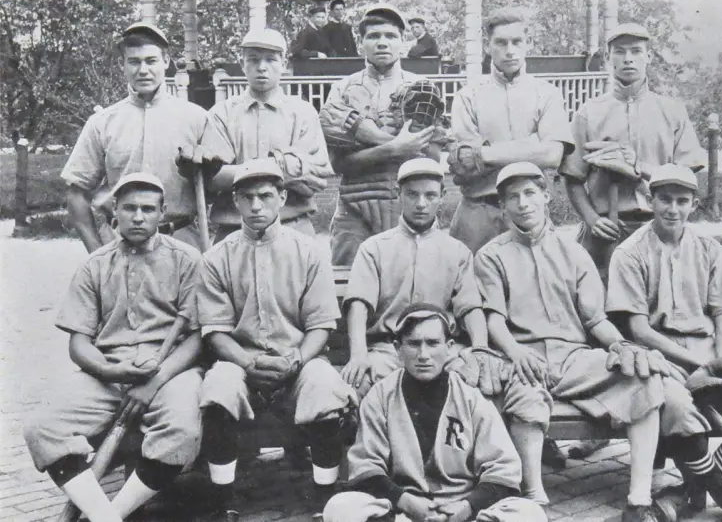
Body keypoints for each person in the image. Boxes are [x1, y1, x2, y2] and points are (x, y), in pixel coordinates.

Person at [468, 161, 672, 521]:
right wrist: (515, 353)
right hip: (523, 356)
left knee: (643, 380)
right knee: (526, 394)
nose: (522, 203)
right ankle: (534, 497)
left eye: (530, 193)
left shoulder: (573, 252)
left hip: (574, 359)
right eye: (512, 197)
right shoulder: (491, 256)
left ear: (546, 196)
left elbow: (595, 319)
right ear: (502, 207)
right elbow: (493, 319)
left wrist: (620, 345)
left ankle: (639, 500)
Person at [606, 164, 722, 522]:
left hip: (706, 356)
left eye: (682, 201)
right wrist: (697, 366)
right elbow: (640, 331)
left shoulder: (708, 249)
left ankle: (691, 489)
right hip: (659, 359)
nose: (672, 209)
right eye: (664, 199)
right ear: (650, 200)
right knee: (678, 411)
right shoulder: (629, 253)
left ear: (694, 204)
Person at [558, 22, 706, 460]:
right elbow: (572, 179)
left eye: (636, 51)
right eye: (619, 51)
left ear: (647, 57)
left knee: (651, 320)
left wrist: (639, 168)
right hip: (604, 231)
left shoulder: (670, 109)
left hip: (654, 228)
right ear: (608, 58)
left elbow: (687, 174)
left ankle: (663, 413)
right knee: (598, 322)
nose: (627, 59)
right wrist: (590, 218)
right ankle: (597, 424)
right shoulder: (589, 112)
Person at [23, 173, 204, 522]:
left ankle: (113, 513)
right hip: (107, 369)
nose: (139, 216)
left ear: (162, 213)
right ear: (113, 214)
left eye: (148, 209)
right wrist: (109, 371)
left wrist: (156, 380)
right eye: (130, 208)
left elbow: (198, 337)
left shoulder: (187, 259)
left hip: (168, 371)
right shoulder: (95, 265)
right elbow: (79, 342)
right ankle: (106, 517)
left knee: (181, 428)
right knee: (41, 427)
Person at [197, 158, 358, 522]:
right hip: (240, 361)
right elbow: (215, 331)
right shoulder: (216, 258)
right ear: (235, 201)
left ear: (282, 197)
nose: (256, 206)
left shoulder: (309, 251)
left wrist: (296, 360)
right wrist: (247, 363)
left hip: (296, 359)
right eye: (247, 197)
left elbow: (321, 324)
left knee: (324, 384)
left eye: (266, 196)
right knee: (219, 386)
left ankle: (323, 500)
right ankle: (225, 503)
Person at [323, 303, 548, 522]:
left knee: (530, 514)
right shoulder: (380, 397)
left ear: (449, 347)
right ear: (397, 348)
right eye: (413, 344)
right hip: (403, 510)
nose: (423, 354)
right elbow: (366, 467)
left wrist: (467, 507)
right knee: (340, 508)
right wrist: (405, 502)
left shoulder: (470, 397)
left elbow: (503, 468)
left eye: (432, 343)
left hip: (460, 508)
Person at [341, 158, 487, 399]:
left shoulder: (457, 251)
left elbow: (470, 307)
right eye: (412, 194)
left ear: (442, 195)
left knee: (476, 380)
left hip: (441, 350)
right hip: (389, 350)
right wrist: (359, 354)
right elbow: (359, 304)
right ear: (398, 195)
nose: (421, 203)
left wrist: (480, 349)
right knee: (352, 388)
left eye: (430, 195)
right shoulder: (374, 248)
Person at [62, 23, 209, 253]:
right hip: (119, 246)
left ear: (166, 61)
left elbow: (218, 187)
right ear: (123, 65)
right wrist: (96, 254)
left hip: (182, 247)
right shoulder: (103, 123)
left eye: (151, 61)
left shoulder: (196, 118)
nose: (143, 70)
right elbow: (77, 194)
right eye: (134, 61)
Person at [320, 4, 442, 266]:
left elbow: (431, 159)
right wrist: (394, 148)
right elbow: (337, 162)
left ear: (403, 41)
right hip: (355, 206)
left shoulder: (422, 88)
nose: (382, 43)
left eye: (390, 36)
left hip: (409, 207)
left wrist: (367, 140)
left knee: (415, 286)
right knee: (349, 285)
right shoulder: (343, 89)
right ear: (361, 42)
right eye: (373, 36)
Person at [447, 9, 574, 254]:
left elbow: (551, 155)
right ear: (488, 46)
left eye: (517, 42)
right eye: (501, 42)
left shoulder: (546, 94)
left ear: (528, 44)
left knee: (534, 287)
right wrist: (531, 145)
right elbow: (467, 163)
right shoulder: (468, 96)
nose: (510, 50)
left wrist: (484, 153)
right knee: (471, 288)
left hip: (530, 215)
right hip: (479, 212)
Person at [198, 28, 334, 243]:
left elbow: (314, 181)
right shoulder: (222, 114)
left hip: (293, 226)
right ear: (242, 65)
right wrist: (281, 165)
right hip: (234, 229)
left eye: (271, 59)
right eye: (253, 60)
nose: (262, 67)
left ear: (284, 65)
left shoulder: (303, 112)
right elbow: (214, 177)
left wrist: (241, 172)